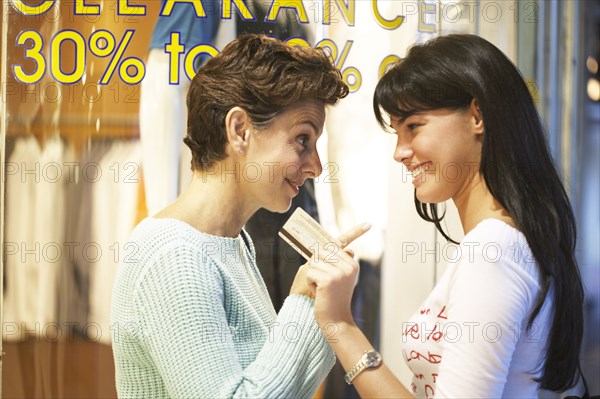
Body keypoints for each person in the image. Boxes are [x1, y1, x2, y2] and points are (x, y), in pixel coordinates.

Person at [305, 34, 585, 397]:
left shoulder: (492, 250)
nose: (400, 152)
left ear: (477, 116)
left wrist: (341, 325)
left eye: (413, 126)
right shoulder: (500, 243)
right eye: (396, 131)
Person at [110, 34, 366, 398]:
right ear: (240, 130)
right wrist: (303, 301)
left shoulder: (229, 241)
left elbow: (281, 389)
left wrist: (323, 308)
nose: (316, 167)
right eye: (302, 140)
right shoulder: (174, 256)